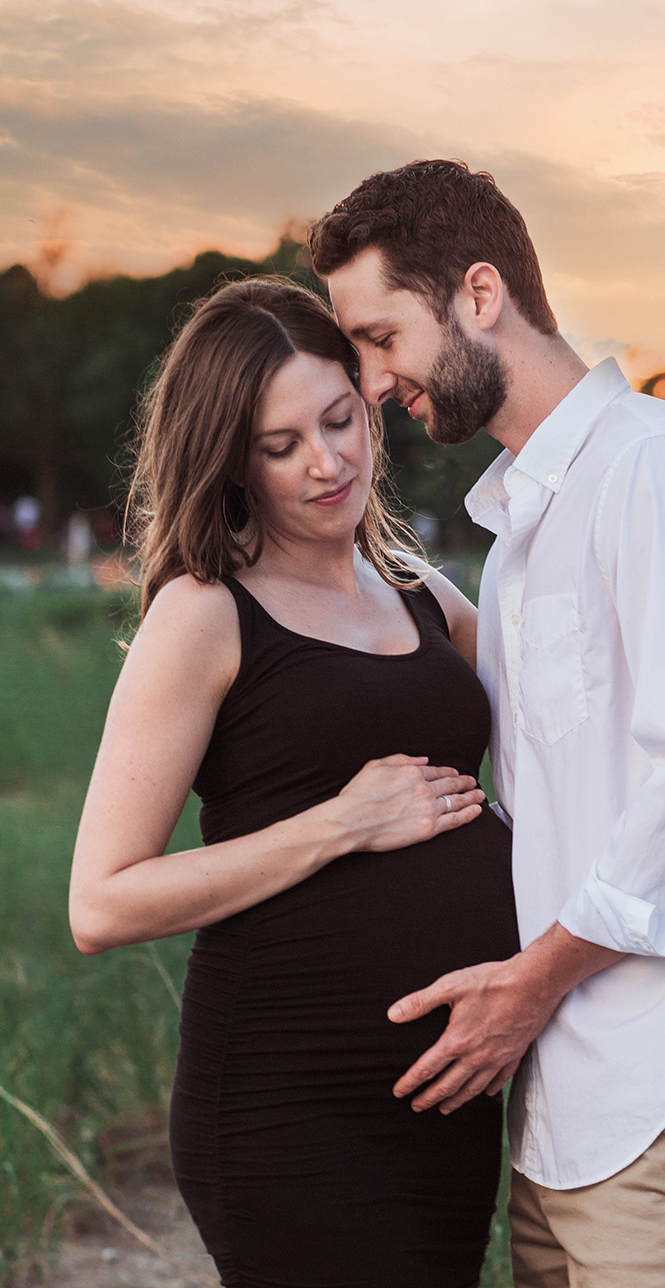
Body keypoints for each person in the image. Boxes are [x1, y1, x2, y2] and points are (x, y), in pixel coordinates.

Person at [309, 162, 665, 1288]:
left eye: (383, 338)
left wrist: (530, 981)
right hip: (556, 1115)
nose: (375, 382)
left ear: (479, 292)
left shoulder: (658, 468)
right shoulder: (519, 537)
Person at [68, 277, 520, 1288]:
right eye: (281, 445)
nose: (327, 462)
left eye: (339, 419)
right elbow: (100, 903)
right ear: (232, 460)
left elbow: (560, 724)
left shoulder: (417, 592)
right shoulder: (204, 613)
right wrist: (341, 824)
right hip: (288, 1108)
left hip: (446, 1099)